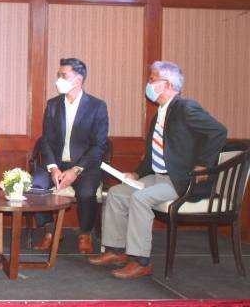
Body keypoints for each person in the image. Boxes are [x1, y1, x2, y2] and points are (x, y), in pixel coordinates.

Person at [89, 61, 227, 279]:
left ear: (168, 84)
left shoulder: (185, 108)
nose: (149, 84)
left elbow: (218, 131)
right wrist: (136, 173)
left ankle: (141, 261)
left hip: (181, 180)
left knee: (140, 198)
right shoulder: (159, 114)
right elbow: (153, 154)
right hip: (158, 177)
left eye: (152, 80)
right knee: (116, 193)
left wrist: (203, 164)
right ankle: (115, 251)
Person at [32, 58, 109, 254]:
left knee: (86, 192)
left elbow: (98, 146)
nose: (58, 79)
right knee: (36, 185)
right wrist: (53, 168)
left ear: (78, 80)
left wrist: (76, 170)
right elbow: (46, 140)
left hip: (84, 166)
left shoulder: (97, 106)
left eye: (63, 75)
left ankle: (85, 234)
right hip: (56, 164)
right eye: (58, 75)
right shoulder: (52, 105)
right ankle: (50, 231)